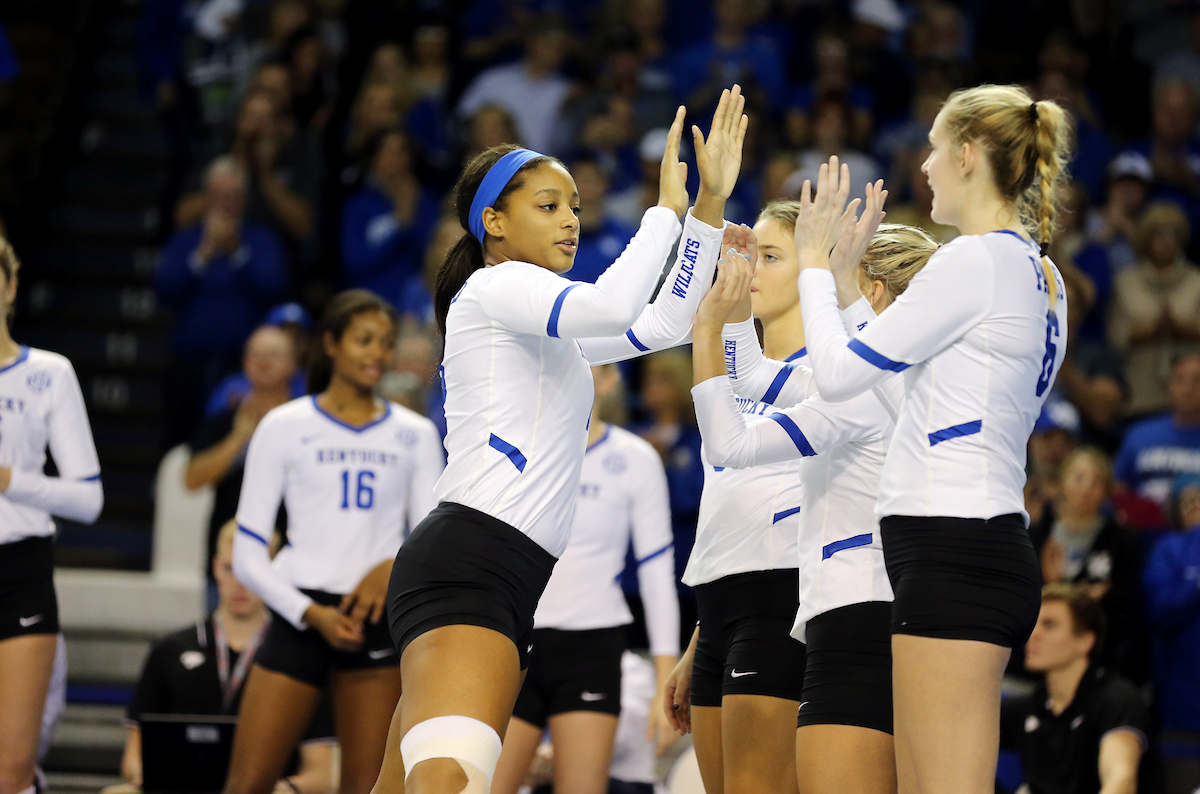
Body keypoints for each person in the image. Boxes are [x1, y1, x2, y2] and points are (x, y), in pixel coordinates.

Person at [371, 87, 749, 794]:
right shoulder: (496, 287)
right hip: (476, 561)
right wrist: (665, 212)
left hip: (493, 569)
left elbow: (661, 324)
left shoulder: (542, 323)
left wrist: (706, 209)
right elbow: (613, 302)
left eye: (574, 206)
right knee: (450, 782)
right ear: (494, 223)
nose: (570, 221)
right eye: (548, 206)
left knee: (411, 785)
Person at [793, 83, 1073, 794]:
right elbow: (903, 395)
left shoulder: (973, 261)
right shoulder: (1041, 274)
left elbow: (832, 373)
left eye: (935, 148)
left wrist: (813, 271)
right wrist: (847, 292)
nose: (924, 165)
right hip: (969, 541)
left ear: (970, 155)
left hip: (954, 547)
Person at [681, 212, 938, 794]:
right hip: (847, 608)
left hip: (854, 610)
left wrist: (705, 326)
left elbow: (729, 443)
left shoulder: (861, 389)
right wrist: (728, 315)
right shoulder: (873, 382)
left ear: (866, 290)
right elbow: (749, 374)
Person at [224, 290, 444, 794]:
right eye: (363, 341)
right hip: (299, 617)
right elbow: (248, 551)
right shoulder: (284, 426)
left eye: (385, 344)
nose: (377, 354)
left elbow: (431, 535)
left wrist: (392, 566)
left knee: (368, 788)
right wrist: (308, 613)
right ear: (330, 345)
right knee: (247, 783)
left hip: (374, 619)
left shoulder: (414, 434)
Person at [662, 200, 816, 794]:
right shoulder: (730, 377)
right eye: (748, 255)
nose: (750, 270)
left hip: (784, 594)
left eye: (770, 257)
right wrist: (697, 641)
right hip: (717, 604)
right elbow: (730, 504)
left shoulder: (832, 377)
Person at [490, 364, 680, 794]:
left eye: (591, 361)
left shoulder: (634, 459)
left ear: (610, 379)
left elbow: (656, 572)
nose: (574, 367)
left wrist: (663, 681)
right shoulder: (517, 449)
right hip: (515, 641)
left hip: (591, 647)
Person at [116, 522, 335, 794]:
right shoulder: (169, 650)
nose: (240, 584)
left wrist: (284, 788)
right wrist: (153, 778)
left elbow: (324, 771)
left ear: (275, 574)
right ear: (215, 568)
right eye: (230, 569)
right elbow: (133, 758)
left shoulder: (300, 657)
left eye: (252, 572)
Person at [0, 237, 103, 794]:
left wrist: (10, 480)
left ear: (10, 287)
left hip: (20, 570)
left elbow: (87, 498)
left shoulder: (49, 373)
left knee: (11, 771)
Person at [155, 156, 288, 446]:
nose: (227, 203)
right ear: (206, 197)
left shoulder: (261, 239)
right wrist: (203, 254)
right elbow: (165, 288)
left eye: (234, 196)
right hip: (188, 359)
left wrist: (237, 252)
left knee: (233, 440)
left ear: (245, 198)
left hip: (242, 365)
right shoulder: (186, 240)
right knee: (180, 437)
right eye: (219, 196)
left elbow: (273, 287)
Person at [1000, 584, 1148, 794]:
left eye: (1049, 625)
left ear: (1086, 641)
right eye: (1033, 624)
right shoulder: (1028, 705)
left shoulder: (1117, 698)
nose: (1033, 634)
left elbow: (1121, 778)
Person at [186, 325, 299, 570]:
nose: (264, 361)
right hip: (231, 563)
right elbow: (192, 480)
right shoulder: (224, 419)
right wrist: (238, 439)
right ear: (245, 362)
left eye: (273, 354)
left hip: (293, 562)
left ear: (293, 364)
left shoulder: (307, 422)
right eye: (256, 354)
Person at [1029, 448, 1144, 679]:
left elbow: (1128, 611)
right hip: (1036, 662)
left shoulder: (1121, 541)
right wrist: (1053, 584)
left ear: (1107, 492)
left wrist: (1091, 603)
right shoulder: (1037, 535)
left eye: (1097, 482)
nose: (1086, 488)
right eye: (1079, 478)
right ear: (1061, 483)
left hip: (1098, 664)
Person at [1107, 202, 1200, 417]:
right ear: (1146, 239)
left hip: (1193, 398)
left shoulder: (1196, 280)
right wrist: (1151, 329)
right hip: (1139, 392)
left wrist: (1180, 328)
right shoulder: (1126, 282)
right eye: (1159, 235)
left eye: (1173, 235)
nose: (1166, 241)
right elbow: (1115, 337)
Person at [1144, 473, 1200, 794]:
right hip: (1183, 712)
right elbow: (1157, 611)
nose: (1195, 507)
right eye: (1187, 500)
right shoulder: (1169, 548)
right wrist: (1195, 587)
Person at [340, 128, 441, 300]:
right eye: (387, 153)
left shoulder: (426, 202)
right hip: (370, 299)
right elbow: (354, 263)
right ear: (373, 159)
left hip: (417, 304)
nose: (395, 161)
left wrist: (411, 213)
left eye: (401, 152)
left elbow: (434, 257)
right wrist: (400, 226)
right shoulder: (358, 205)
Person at [1114, 352, 1200, 514]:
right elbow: (1120, 490)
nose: (1188, 388)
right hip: (1143, 534)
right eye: (1180, 380)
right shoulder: (1139, 435)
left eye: (1197, 381)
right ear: (1169, 386)